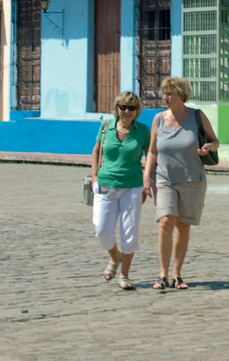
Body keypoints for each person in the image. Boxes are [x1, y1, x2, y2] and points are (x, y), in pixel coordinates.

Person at [143, 77, 219, 290]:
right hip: (165, 178)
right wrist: (146, 175)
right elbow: (152, 150)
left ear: (181, 96)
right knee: (166, 220)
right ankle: (162, 275)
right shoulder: (158, 119)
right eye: (164, 93)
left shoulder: (196, 116)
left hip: (192, 179)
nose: (165, 97)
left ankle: (177, 275)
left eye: (169, 94)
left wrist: (209, 148)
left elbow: (215, 140)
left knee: (183, 226)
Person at [91, 91, 151, 290]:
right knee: (101, 230)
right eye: (123, 107)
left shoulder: (143, 131)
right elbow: (96, 151)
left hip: (132, 188)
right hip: (105, 185)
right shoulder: (106, 126)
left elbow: (151, 155)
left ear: (137, 111)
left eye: (131, 108)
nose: (126, 111)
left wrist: (146, 180)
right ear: (117, 108)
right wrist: (93, 177)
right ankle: (114, 257)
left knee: (129, 232)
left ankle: (124, 274)